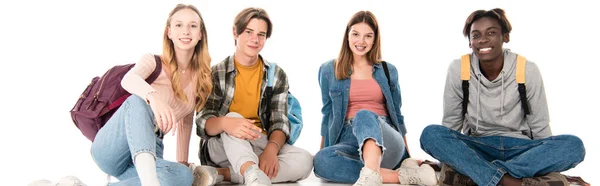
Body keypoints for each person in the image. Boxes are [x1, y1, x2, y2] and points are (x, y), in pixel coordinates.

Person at [419, 8, 586, 186]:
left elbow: (540, 127)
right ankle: (508, 181)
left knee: (573, 146)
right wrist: (448, 155)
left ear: (505, 37)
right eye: (475, 35)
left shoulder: (527, 69)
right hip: (478, 146)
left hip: (521, 149)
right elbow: (450, 125)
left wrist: (545, 162)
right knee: (431, 134)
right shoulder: (458, 69)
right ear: (470, 42)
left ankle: (480, 175)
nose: (483, 39)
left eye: (491, 33)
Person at [90, 4, 213, 186]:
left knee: (184, 177)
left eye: (193, 26)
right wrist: (153, 98)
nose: (186, 31)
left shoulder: (200, 78)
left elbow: (185, 123)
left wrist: (182, 163)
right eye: (179, 25)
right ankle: (150, 182)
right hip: (114, 147)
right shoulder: (153, 62)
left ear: (200, 34)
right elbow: (128, 80)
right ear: (169, 32)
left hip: (151, 148)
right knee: (138, 101)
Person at [313, 10, 437, 186]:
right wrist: (322, 151)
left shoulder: (388, 70)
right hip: (349, 138)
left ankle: (371, 175)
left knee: (364, 115)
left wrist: (407, 156)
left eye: (368, 36)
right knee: (321, 162)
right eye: (355, 34)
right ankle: (401, 177)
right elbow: (327, 115)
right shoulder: (328, 70)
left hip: (384, 134)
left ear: (375, 39)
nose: (361, 41)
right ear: (347, 36)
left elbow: (398, 115)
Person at [195, 7, 313, 186]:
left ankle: (223, 174)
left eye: (261, 34)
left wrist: (271, 151)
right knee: (234, 118)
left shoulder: (276, 74)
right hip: (222, 145)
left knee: (305, 160)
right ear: (235, 32)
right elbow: (203, 123)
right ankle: (252, 175)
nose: (255, 39)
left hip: (260, 142)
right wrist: (226, 123)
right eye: (248, 32)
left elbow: (279, 121)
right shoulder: (216, 73)